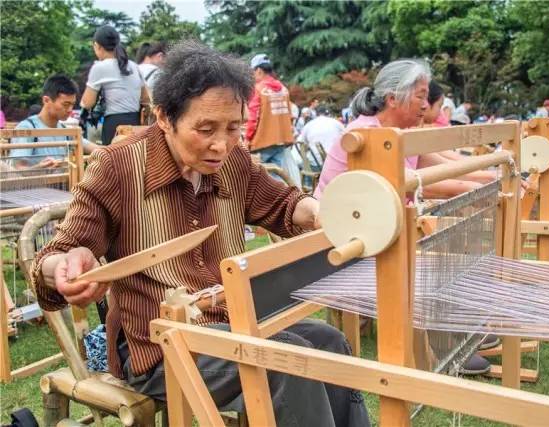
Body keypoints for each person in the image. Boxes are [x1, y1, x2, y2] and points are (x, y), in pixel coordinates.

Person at [31, 41, 369, 427]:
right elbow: (60, 252)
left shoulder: (234, 161)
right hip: (158, 345)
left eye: (234, 128)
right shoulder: (118, 166)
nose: (221, 144)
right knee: (284, 360)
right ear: (163, 117)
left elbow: (285, 204)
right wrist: (64, 267)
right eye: (205, 129)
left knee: (330, 343)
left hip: (236, 323)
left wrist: (321, 214)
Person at [314, 61, 487, 202]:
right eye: (420, 97)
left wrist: (495, 175)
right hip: (336, 234)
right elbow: (416, 185)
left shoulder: (399, 135)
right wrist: (486, 186)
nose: (426, 105)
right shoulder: (368, 134)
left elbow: (451, 169)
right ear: (392, 99)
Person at [9, 74, 100, 168]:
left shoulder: (66, 132)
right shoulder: (27, 129)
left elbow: (97, 150)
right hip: (35, 183)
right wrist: (39, 168)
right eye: (65, 104)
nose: (70, 109)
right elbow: (18, 169)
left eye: (72, 104)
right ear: (46, 100)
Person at [81, 25, 149, 146]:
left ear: (97, 46)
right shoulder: (133, 66)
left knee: (114, 163)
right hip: (136, 123)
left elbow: (87, 103)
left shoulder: (99, 67)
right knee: (134, 162)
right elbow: (146, 98)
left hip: (114, 125)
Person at [245, 53, 295, 172]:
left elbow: (253, 117)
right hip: (281, 140)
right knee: (277, 176)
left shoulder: (258, 89)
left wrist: (247, 139)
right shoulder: (283, 89)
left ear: (259, 70)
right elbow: (290, 116)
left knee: (256, 176)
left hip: (262, 143)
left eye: (252, 71)